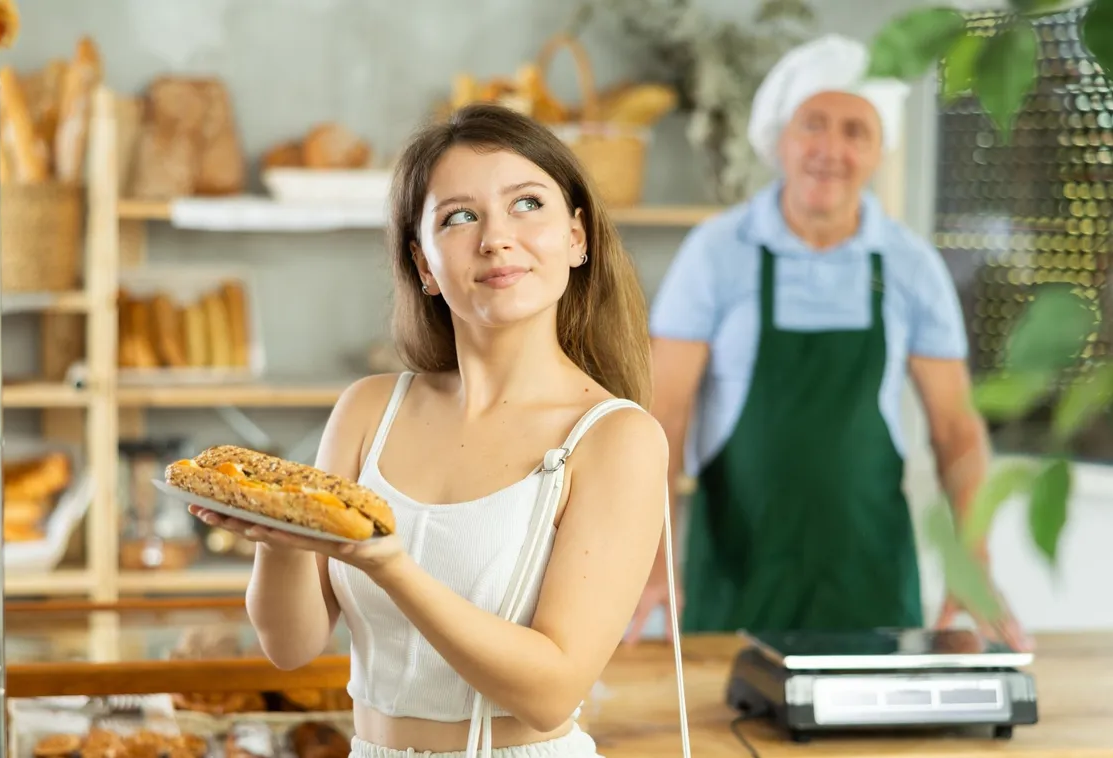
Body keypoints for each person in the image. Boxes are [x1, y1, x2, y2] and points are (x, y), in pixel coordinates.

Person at [191, 103, 669, 758]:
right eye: (459, 217)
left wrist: (390, 566)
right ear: (422, 264)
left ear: (577, 237)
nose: (496, 238)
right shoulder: (367, 411)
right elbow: (291, 647)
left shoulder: (614, 438)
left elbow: (550, 691)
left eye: (526, 204)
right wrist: (278, 538)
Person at [625, 33, 1031, 651]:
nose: (831, 150)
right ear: (780, 139)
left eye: (855, 131)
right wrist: (653, 559)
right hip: (736, 573)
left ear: (878, 151)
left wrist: (971, 560)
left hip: (867, 576)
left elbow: (956, 427)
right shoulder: (717, 253)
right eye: (814, 124)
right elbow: (664, 415)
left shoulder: (910, 266)